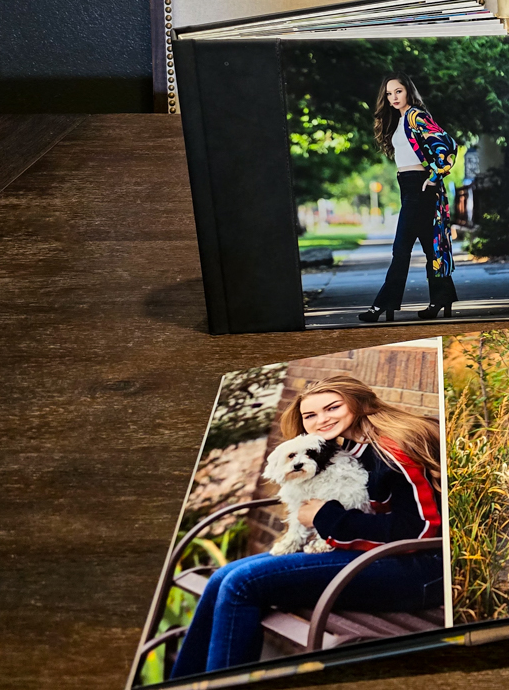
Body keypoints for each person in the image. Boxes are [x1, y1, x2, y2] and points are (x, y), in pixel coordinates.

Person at [170, 376, 444, 678]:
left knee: (243, 583)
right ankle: (184, 682)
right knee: (222, 576)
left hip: (419, 570)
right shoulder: (349, 447)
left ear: (359, 403)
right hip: (378, 556)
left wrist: (324, 517)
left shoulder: (393, 450)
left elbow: (421, 530)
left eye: (332, 408)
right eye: (310, 415)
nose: (321, 420)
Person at [359, 73, 458, 323]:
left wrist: (435, 176)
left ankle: (383, 305)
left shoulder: (416, 116)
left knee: (400, 249)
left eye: (398, 92)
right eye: (389, 94)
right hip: (409, 187)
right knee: (430, 247)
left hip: (420, 187)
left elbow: (448, 146)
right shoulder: (402, 119)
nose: (393, 97)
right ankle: (441, 298)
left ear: (408, 92)